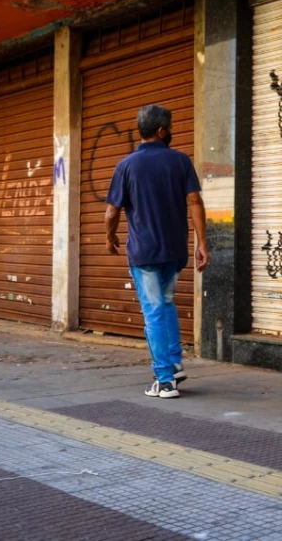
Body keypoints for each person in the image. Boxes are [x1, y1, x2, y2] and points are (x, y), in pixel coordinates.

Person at [104, 105, 208, 399]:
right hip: (175, 251)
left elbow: (111, 212)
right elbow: (195, 202)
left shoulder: (126, 165)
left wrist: (109, 238)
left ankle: (163, 380)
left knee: (153, 313)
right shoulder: (180, 161)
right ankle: (174, 364)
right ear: (161, 131)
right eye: (170, 126)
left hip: (145, 253)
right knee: (166, 303)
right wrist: (202, 243)